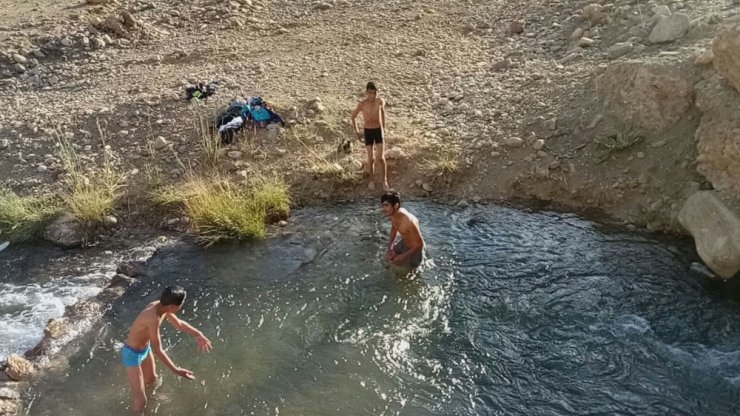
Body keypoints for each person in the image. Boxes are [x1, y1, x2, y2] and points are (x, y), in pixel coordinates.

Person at [122, 285, 212, 415]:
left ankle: (151, 401)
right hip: (132, 354)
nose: (181, 307)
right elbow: (158, 350)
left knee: (152, 380)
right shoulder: (152, 318)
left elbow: (178, 324)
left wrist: (198, 334)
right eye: (181, 305)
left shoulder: (162, 307)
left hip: (144, 350)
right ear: (173, 307)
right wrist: (176, 370)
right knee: (141, 401)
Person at [351, 81, 389, 191]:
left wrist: (384, 128)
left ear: (377, 92)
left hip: (378, 130)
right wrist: (357, 131)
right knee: (370, 158)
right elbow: (353, 117)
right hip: (368, 131)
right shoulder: (362, 104)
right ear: (367, 92)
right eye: (370, 93)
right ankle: (371, 180)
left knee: (380, 157)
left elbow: (383, 112)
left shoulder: (379, 101)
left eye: (374, 93)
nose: (372, 95)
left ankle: (384, 181)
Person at [381, 190, 425, 269]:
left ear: (396, 205)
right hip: (404, 242)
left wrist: (404, 256)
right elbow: (394, 229)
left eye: (386, 205)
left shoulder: (409, 221)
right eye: (383, 206)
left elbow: (420, 244)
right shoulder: (392, 214)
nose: (384, 209)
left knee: (408, 273)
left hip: (415, 249)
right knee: (387, 259)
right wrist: (390, 246)